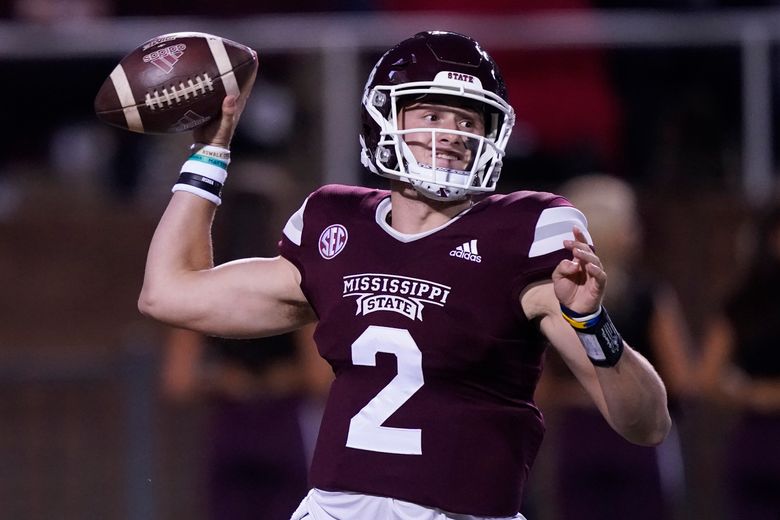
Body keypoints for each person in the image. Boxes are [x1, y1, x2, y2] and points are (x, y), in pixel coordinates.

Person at [137, 31, 671, 519]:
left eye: (469, 120)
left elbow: (646, 425)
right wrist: (209, 153)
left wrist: (593, 324)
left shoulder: (525, 234)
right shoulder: (337, 227)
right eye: (433, 115)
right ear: (384, 120)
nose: (455, 135)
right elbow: (168, 294)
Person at [534, 174, 694, 520]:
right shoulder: (649, 296)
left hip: (580, 435)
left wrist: (580, 392)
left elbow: (539, 388)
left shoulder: (548, 298)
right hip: (632, 434)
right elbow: (680, 380)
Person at [697, 202, 780, 520]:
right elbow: (706, 377)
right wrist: (756, 394)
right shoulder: (744, 303)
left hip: (755, 441)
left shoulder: (742, 301)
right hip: (756, 442)